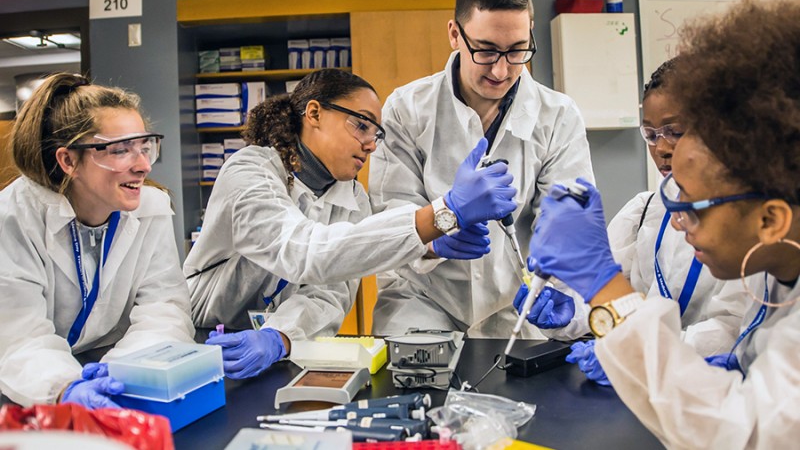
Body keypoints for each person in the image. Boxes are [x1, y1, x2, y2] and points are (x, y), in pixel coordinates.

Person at [527, 0, 800, 447]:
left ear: (770, 219)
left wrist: (604, 285)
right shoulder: (777, 271)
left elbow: (742, 435)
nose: (677, 223)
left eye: (692, 206)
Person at [184, 68, 517, 379]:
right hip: (203, 337)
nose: (371, 144)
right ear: (314, 113)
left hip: (276, 353)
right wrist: (441, 214)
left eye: (376, 133)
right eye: (361, 125)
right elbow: (303, 252)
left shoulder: (354, 197)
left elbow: (328, 295)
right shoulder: (250, 170)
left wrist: (279, 337)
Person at [369, 0, 594, 338]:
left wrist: (560, 283)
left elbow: (568, 219)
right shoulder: (407, 109)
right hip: (423, 301)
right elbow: (390, 213)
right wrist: (435, 236)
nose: (502, 69)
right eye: (487, 50)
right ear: (455, 34)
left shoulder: (558, 116)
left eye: (518, 50)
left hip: (515, 307)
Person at [0, 73, 194, 409]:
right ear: (69, 160)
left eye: (145, 147)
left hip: (111, 368)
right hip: (28, 387)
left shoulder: (150, 209)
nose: (144, 166)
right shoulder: (14, 217)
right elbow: (18, 336)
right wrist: (64, 387)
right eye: (121, 150)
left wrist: (124, 373)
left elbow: (164, 308)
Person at [566, 58, 753, 385]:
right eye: (651, 135)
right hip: (647, 387)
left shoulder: (747, 220)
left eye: (675, 132)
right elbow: (624, 305)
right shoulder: (645, 211)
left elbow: (732, 327)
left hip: (704, 385)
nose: (662, 148)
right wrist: (571, 311)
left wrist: (641, 353)